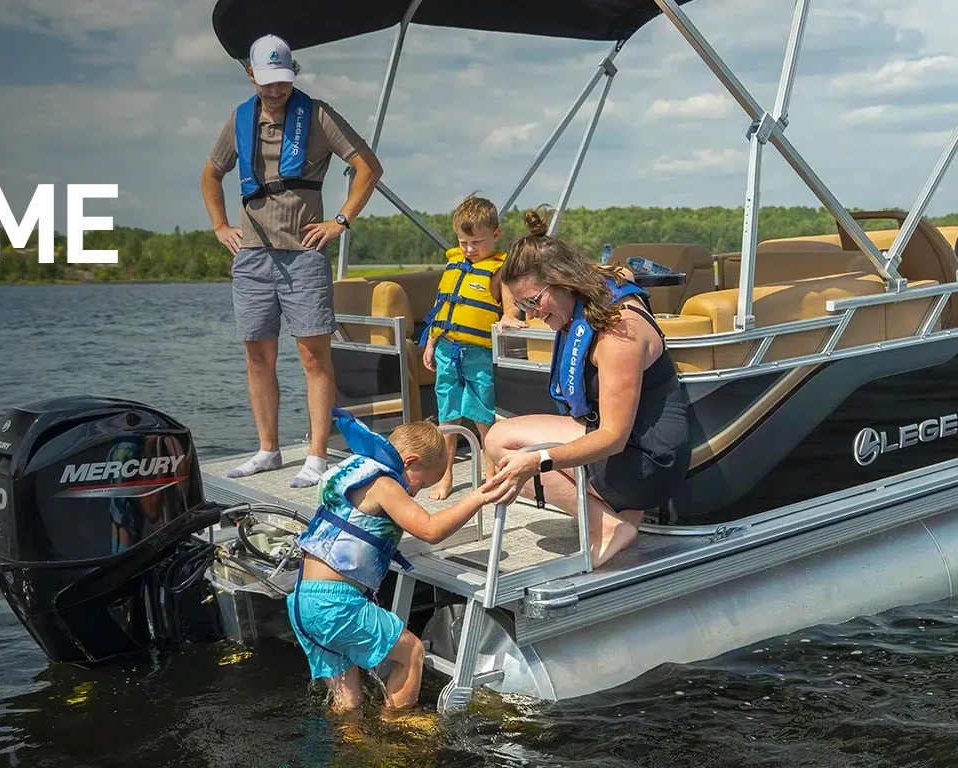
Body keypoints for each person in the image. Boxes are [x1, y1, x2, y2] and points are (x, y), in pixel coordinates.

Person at [201, 34, 384, 488]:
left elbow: (368, 167)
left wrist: (340, 220)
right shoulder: (240, 118)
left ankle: (317, 455)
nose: (276, 91)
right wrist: (222, 226)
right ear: (251, 75)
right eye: (267, 82)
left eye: (283, 81)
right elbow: (211, 173)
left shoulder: (317, 114)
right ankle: (268, 450)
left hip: (304, 255)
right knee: (257, 357)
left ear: (292, 74)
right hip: (252, 258)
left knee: (313, 357)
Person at [482, 209, 694, 568]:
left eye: (534, 301)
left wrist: (537, 462)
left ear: (564, 282)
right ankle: (621, 515)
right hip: (634, 444)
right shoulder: (592, 292)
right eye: (522, 305)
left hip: (650, 462)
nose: (531, 313)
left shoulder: (617, 334)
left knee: (502, 444)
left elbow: (612, 437)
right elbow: (620, 271)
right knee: (504, 439)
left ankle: (610, 526)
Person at [288, 410, 518, 713]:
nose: (416, 492)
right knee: (411, 652)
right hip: (336, 605)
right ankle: (397, 730)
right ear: (409, 462)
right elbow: (430, 530)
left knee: (348, 702)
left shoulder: (355, 469)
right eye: (421, 484)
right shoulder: (384, 484)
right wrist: (477, 498)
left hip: (304, 601)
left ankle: (350, 742)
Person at [418, 194, 522, 500]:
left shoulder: (499, 270)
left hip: (477, 354)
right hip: (446, 349)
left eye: (476, 242)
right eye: (463, 242)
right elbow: (440, 310)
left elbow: (511, 308)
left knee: (482, 416)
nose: (469, 249)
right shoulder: (454, 264)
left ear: (496, 235)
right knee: (448, 415)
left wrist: (508, 320)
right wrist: (431, 341)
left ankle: (490, 473)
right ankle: (446, 474)